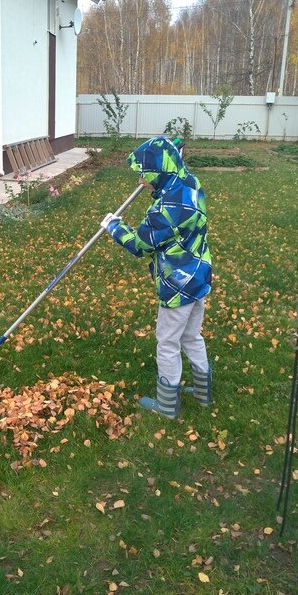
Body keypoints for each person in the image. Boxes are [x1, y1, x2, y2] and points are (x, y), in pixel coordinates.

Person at [101, 136, 213, 419]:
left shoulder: (165, 209)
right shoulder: (189, 184)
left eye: (144, 175)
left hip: (177, 285)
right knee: (192, 336)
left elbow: (141, 244)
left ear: (158, 172)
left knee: (167, 342)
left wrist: (114, 227)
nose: (141, 182)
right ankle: (203, 392)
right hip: (199, 277)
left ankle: (166, 403)